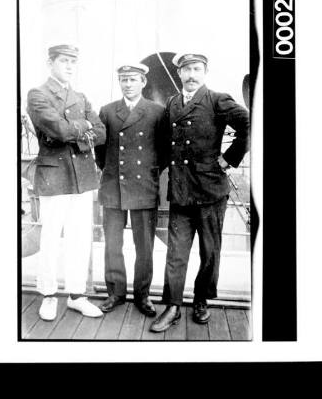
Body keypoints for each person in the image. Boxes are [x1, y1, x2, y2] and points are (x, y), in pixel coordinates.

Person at [150, 53, 250, 332]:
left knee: (209, 252)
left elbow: (251, 124)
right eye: (186, 69)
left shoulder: (218, 99)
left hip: (210, 192)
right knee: (176, 253)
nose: (191, 74)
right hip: (181, 192)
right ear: (179, 73)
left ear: (205, 72)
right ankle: (172, 306)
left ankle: (201, 300)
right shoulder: (171, 103)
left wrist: (229, 158)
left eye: (197, 69)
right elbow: (162, 145)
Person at [27, 44, 106, 321]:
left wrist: (77, 130)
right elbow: (57, 130)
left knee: (80, 237)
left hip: (82, 176)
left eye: (73, 62)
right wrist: (81, 127)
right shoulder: (38, 94)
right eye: (64, 61)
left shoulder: (81, 96)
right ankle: (48, 295)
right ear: (50, 63)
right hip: (55, 175)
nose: (69, 66)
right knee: (50, 237)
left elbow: (101, 133)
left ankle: (76, 295)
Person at [95, 63, 165, 317]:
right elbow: (100, 152)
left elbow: (164, 152)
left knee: (144, 246)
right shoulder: (108, 111)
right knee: (112, 244)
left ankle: (143, 296)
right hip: (113, 186)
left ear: (143, 82)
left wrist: (147, 172)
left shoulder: (157, 112)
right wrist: (112, 170)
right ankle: (115, 293)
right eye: (123, 79)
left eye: (133, 79)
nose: (128, 84)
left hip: (143, 187)